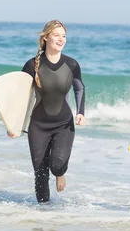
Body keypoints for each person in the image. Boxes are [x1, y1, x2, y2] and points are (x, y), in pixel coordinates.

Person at [8, 20, 86, 203]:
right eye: (57, 35)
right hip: (38, 126)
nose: (61, 39)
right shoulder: (31, 65)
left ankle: (60, 173)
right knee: (40, 175)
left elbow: (80, 88)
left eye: (64, 36)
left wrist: (81, 112)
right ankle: (43, 220)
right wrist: (12, 124)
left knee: (57, 165)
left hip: (63, 125)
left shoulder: (71, 65)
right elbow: (20, 97)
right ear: (46, 37)